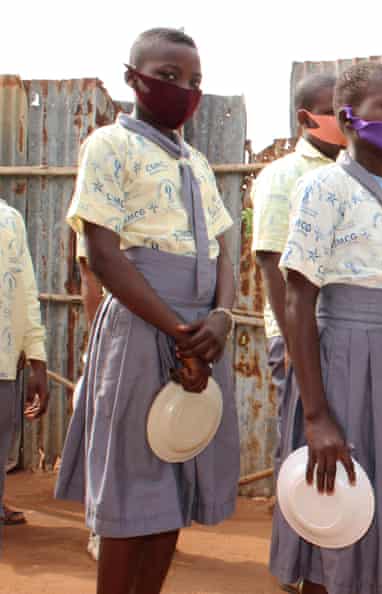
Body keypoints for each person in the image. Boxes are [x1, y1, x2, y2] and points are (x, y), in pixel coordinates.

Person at [54, 27, 240, 594]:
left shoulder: (200, 164)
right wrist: (179, 331)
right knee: (132, 489)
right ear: (133, 79)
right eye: (168, 76)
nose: (183, 89)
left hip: (202, 331)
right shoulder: (109, 146)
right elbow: (105, 254)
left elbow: (223, 250)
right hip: (143, 324)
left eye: (194, 81)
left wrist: (222, 318)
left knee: (173, 480)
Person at [270, 61, 382, 594]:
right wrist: (317, 416)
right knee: (334, 511)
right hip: (344, 367)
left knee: (376, 512)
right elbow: (299, 298)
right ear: (348, 117)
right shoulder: (324, 188)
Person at [251, 73, 344, 480]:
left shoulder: (350, 173)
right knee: (302, 433)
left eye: (348, 113)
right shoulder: (282, 176)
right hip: (298, 331)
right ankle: (296, 536)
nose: (343, 121)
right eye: (331, 113)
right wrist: (291, 343)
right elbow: (272, 264)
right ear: (306, 118)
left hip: (340, 327)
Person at [0, 198, 50, 542]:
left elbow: (26, 293)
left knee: (3, 432)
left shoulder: (10, 220)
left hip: (3, 359)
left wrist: (37, 360)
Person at [75, 234, 104, 561]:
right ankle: (101, 528)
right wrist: (102, 345)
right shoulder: (98, 197)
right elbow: (90, 278)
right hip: (113, 341)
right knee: (105, 442)